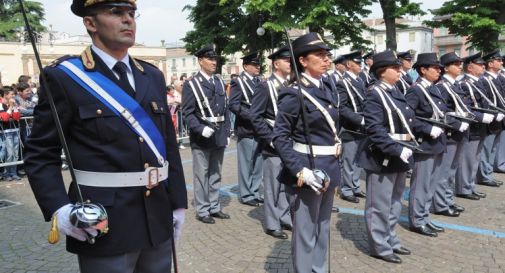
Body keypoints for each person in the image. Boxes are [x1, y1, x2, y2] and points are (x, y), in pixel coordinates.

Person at [24, 1, 187, 272]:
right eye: (116, 13)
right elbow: (40, 152)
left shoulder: (153, 76)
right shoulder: (65, 78)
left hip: (157, 216)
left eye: (131, 13)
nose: (128, 20)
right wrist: (59, 208)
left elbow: (169, 145)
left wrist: (179, 202)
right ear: (90, 23)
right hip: (105, 222)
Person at [273, 32, 341, 273]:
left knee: (322, 226)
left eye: (327, 55)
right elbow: (279, 137)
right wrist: (300, 170)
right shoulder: (293, 94)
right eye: (319, 55)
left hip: (329, 166)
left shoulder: (327, 87)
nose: (326, 59)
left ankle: (319, 269)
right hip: (308, 170)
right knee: (305, 231)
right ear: (302, 60)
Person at [357, 50, 419, 264]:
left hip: (400, 153)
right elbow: (374, 129)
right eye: (395, 67)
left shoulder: (394, 91)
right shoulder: (375, 93)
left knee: (394, 202)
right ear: (382, 72)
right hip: (382, 155)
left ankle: (391, 239)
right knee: (379, 205)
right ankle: (379, 246)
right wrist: (396, 148)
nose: (399, 70)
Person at [405, 53, 454, 238]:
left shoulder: (434, 88)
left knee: (431, 184)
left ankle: (424, 216)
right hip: (425, 144)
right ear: (423, 70)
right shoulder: (415, 90)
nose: (439, 70)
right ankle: (417, 220)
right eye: (435, 67)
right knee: (421, 185)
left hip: (438, 143)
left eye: (439, 67)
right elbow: (409, 117)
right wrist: (426, 128)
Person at [181, 44, 231, 224]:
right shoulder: (191, 84)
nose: (214, 62)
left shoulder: (218, 81)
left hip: (218, 134)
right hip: (202, 136)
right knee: (201, 175)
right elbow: (187, 113)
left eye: (215, 59)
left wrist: (226, 131)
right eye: (210, 59)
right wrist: (200, 128)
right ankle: (202, 210)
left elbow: (225, 109)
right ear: (200, 61)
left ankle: (214, 206)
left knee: (215, 173)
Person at [250, 45, 292, 239]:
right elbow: (255, 116)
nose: (290, 63)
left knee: (286, 184)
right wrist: (270, 138)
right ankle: (272, 222)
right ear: (276, 64)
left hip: (291, 142)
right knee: (273, 185)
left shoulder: (291, 85)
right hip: (274, 143)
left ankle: (284, 217)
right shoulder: (265, 86)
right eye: (286, 60)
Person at [431, 52, 477, 217]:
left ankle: (448, 200)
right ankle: (440, 204)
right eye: (456, 64)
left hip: (460, 133)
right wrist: (457, 124)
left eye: (459, 63)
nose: (459, 66)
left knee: (451, 171)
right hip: (450, 134)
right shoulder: (442, 86)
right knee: (444, 172)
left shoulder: (455, 85)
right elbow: (440, 113)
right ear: (446, 67)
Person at [456, 52, 500, 201]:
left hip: (481, 127)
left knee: (475, 158)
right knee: (468, 159)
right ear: (470, 67)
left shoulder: (478, 82)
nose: (483, 66)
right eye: (479, 64)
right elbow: (468, 108)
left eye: (483, 64)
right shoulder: (465, 83)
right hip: (472, 126)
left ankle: (470, 186)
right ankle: (463, 188)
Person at [229, 51, 264, 207]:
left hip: (260, 129)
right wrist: (251, 116)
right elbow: (234, 105)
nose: (258, 67)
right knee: (246, 163)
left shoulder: (259, 81)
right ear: (245, 66)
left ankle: (255, 191)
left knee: (258, 163)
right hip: (247, 128)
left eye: (258, 64)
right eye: (255, 65)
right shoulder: (238, 82)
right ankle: (246, 194)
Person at [336, 51, 367, 203]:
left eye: (361, 63)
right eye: (358, 63)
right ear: (349, 64)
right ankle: (346, 189)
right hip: (350, 126)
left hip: (362, 125)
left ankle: (355, 186)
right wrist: (359, 119)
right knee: (348, 160)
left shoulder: (360, 81)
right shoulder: (342, 82)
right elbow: (341, 107)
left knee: (358, 159)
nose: (361, 65)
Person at [478, 49, 505, 182]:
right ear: (490, 63)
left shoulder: (499, 78)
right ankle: (484, 175)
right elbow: (485, 100)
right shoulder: (485, 80)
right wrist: (494, 113)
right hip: (491, 118)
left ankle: (488, 173)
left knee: (494, 148)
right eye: (498, 60)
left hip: (500, 118)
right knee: (486, 149)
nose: (501, 62)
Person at [0, 87, 21, 181]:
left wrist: (14, 107)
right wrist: (10, 107)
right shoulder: (1, 104)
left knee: (15, 153)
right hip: (6, 132)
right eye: (11, 94)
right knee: (9, 153)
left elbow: (16, 117)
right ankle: (7, 173)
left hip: (15, 130)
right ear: (5, 95)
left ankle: (14, 172)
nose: (13, 96)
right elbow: (4, 118)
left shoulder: (12, 103)